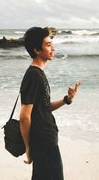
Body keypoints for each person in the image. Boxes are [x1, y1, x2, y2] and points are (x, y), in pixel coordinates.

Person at [19, 27, 81, 180]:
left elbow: (44, 108)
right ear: (36, 49)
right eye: (48, 45)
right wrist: (28, 147)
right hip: (43, 141)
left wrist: (66, 100)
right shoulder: (34, 75)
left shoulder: (38, 73)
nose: (53, 48)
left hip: (46, 139)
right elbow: (24, 117)